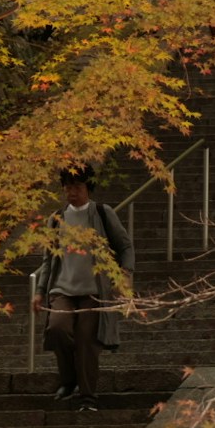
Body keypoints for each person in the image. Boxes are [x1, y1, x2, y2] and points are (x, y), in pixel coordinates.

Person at [31, 164, 134, 412]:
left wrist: (125, 276)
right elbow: (48, 259)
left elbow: (125, 246)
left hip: (93, 291)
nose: (71, 193)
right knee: (56, 329)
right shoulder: (55, 219)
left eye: (76, 187)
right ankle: (69, 380)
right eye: (67, 188)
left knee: (87, 340)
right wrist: (39, 291)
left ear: (87, 187)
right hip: (61, 288)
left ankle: (87, 396)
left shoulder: (101, 212)